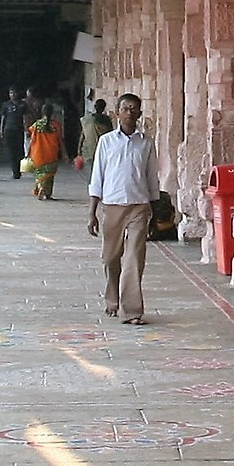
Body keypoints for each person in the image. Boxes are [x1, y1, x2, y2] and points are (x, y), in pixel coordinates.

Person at [85, 92, 159, 323]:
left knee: (134, 259)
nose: (129, 112)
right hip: (112, 205)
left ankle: (132, 310)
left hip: (139, 206)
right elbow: (97, 177)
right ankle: (112, 298)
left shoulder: (146, 143)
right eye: (125, 108)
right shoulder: (106, 142)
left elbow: (151, 178)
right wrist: (92, 213)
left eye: (134, 109)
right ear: (117, 113)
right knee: (110, 257)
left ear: (139, 113)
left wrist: (154, 214)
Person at [25, 98, 64, 201]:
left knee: (39, 173)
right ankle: (48, 193)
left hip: (38, 153)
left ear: (42, 112)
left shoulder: (37, 124)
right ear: (52, 113)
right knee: (50, 175)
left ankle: (40, 187)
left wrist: (28, 152)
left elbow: (32, 139)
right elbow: (60, 140)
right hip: (51, 153)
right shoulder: (56, 125)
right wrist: (65, 154)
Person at [0, 87, 29, 181]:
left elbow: (25, 117)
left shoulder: (22, 104)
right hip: (9, 129)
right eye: (11, 93)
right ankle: (15, 171)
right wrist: (1, 130)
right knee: (11, 151)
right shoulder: (6, 105)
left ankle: (18, 170)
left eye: (14, 93)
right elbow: (3, 118)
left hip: (19, 129)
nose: (12, 95)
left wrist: (26, 129)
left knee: (19, 150)